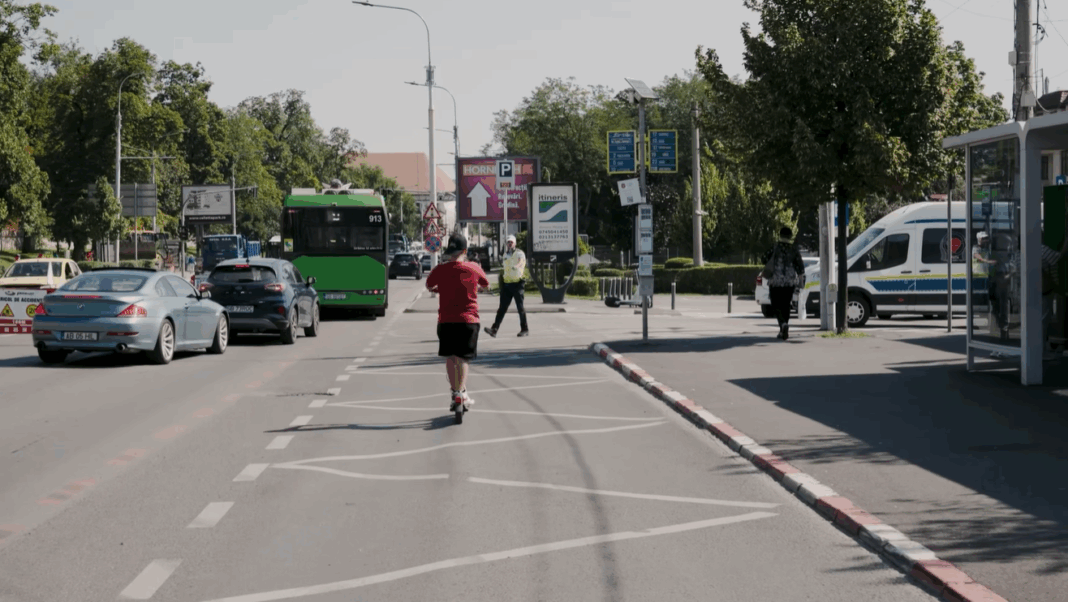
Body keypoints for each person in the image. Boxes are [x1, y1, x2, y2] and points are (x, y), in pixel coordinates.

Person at [426, 233, 490, 413]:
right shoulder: (474, 267)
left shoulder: (440, 269)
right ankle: (461, 392)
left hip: (446, 320)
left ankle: (455, 392)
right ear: (465, 251)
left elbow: (429, 285)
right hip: (468, 321)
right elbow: (486, 284)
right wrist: (476, 288)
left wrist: (440, 289)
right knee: (463, 358)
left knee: (451, 357)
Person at [763, 226, 806, 340]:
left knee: (776, 304)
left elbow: (763, 259)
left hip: (775, 281)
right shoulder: (794, 249)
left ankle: (782, 324)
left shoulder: (774, 247)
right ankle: (784, 327)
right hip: (789, 282)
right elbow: (800, 267)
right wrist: (801, 280)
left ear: (780, 235)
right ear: (790, 236)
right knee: (786, 305)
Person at [485, 234, 529, 337]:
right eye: (508, 242)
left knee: (520, 307)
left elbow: (521, 262)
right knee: (502, 308)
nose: (509, 244)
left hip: (518, 283)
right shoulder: (505, 255)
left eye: (511, 242)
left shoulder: (519, 253)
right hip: (507, 284)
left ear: (515, 243)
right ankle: (494, 329)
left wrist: (517, 266)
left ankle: (524, 329)